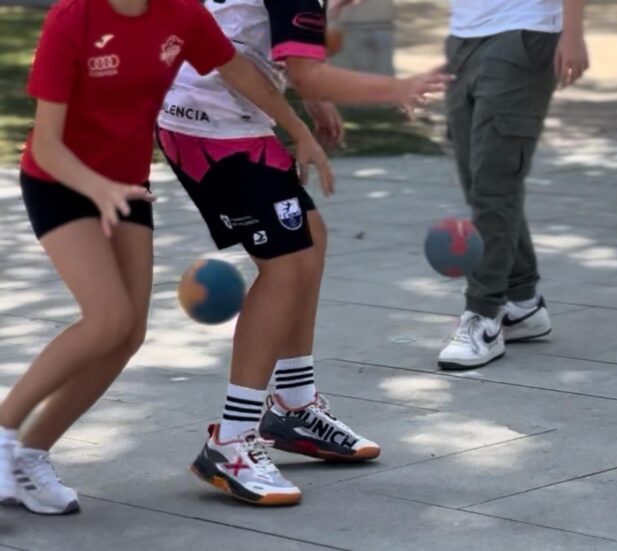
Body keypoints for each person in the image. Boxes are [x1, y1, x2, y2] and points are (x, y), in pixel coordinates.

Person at [0, 0, 331, 515]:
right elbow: (46, 145)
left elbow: (237, 69)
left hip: (127, 187)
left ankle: (29, 454)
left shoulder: (181, 14)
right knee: (108, 319)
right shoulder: (73, 18)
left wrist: (299, 128)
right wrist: (100, 189)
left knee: (128, 334)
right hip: (60, 183)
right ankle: (3, 434)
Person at [156, 0, 449, 506]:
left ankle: (293, 407)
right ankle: (230, 442)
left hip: (224, 112)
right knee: (286, 266)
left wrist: (305, 103)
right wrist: (394, 89)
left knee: (309, 240)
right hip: (211, 124)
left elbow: (276, 46)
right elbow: (304, 71)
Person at [438, 0, 590, 370]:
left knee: (493, 182)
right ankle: (522, 304)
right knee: (478, 180)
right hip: (463, 36)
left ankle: (483, 315)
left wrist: (572, 31)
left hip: (523, 31)